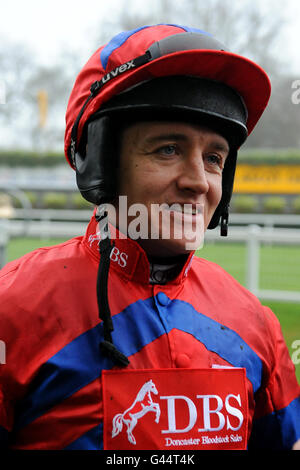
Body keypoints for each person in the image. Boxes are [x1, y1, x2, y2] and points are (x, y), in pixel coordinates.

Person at [0, 24, 299, 451]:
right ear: (98, 163)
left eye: (214, 158)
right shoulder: (11, 310)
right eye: (168, 150)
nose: (199, 182)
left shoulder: (256, 324)